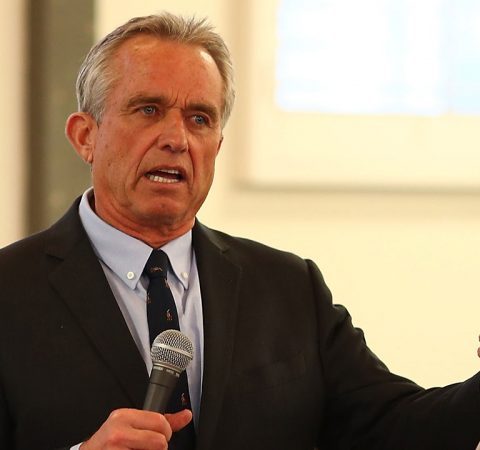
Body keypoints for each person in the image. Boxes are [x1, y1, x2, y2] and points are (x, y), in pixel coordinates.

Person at [0, 12, 479, 450]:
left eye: (199, 119)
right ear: (85, 136)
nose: (176, 138)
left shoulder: (289, 288)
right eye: (148, 109)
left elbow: (393, 427)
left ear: (217, 145)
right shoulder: (10, 291)